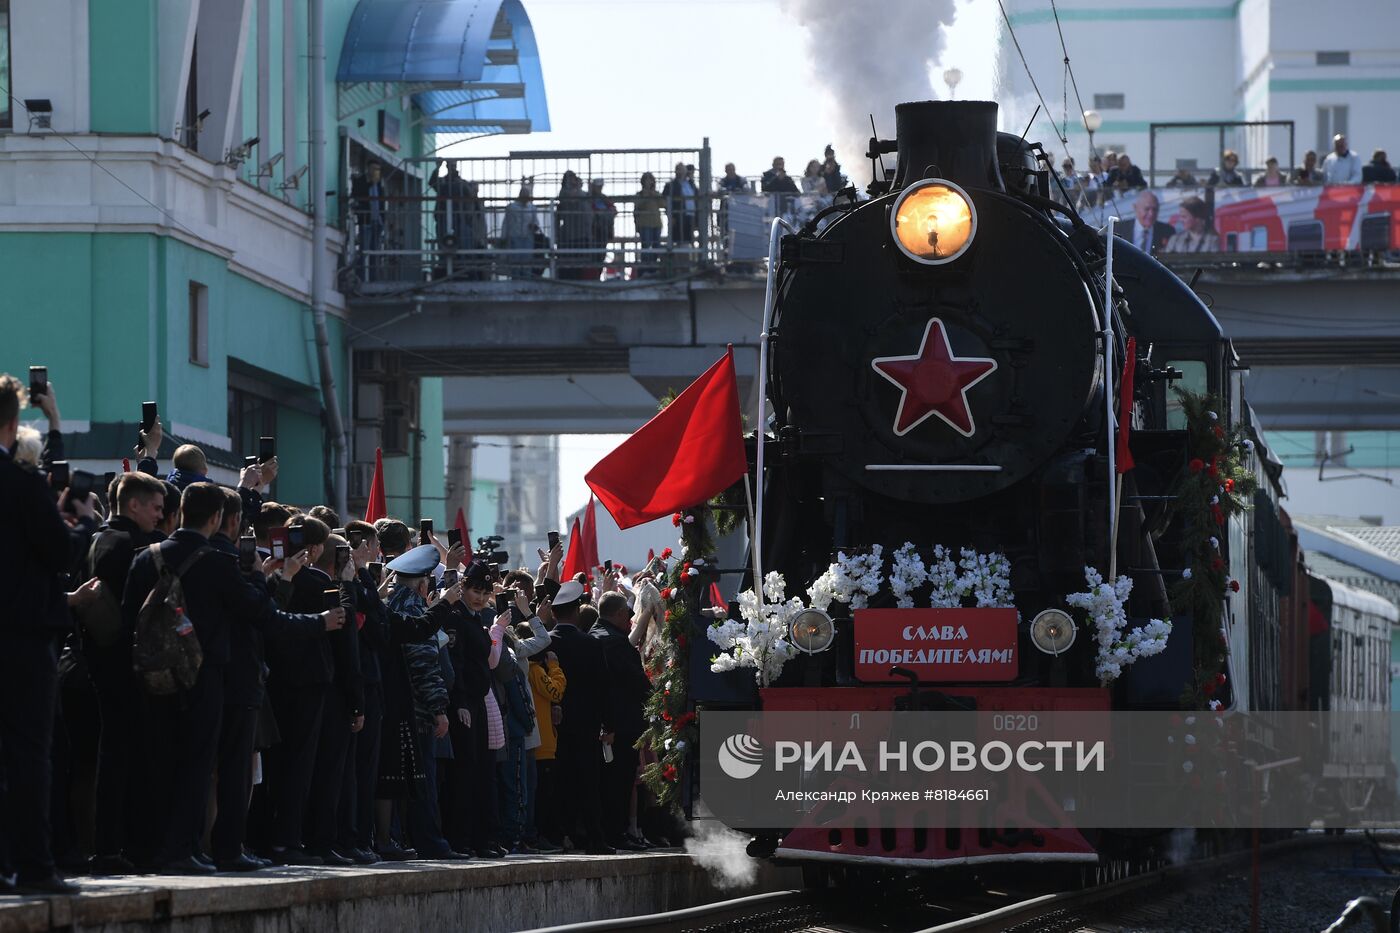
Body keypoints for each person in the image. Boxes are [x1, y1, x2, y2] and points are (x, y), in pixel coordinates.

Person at [121, 483, 340, 874]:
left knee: (156, 760)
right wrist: (270, 585)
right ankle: (199, 849)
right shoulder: (218, 563)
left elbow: (128, 618)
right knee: (200, 762)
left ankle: (153, 846)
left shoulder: (147, 556)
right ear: (220, 518)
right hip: (205, 676)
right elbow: (264, 616)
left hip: (151, 674)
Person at [0, 374, 84, 894]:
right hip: (24, 635)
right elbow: (59, 552)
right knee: (29, 750)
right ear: (13, 422)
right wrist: (74, 527)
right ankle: (32, 863)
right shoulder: (21, 483)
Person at [82, 471, 166, 875]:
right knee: (125, 759)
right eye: (155, 507)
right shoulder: (131, 547)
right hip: (123, 665)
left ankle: (111, 844)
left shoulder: (97, 538)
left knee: (111, 757)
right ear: (133, 505)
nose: (160, 515)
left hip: (97, 662)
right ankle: (119, 845)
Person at [547, 580, 614, 853]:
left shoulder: (546, 642)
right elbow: (604, 687)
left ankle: (561, 834)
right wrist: (608, 723)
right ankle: (594, 838)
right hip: (586, 724)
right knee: (588, 781)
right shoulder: (590, 644)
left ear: (554, 613)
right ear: (576, 612)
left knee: (559, 780)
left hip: (555, 725)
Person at [592, 591, 651, 851]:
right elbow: (636, 682)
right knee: (620, 782)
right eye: (627, 615)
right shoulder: (615, 642)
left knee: (608, 781)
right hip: (621, 724)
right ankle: (616, 832)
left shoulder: (593, 634)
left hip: (602, 722)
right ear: (617, 614)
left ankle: (610, 831)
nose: (629, 620)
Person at [351, 161, 388, 282]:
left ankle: (373, 277)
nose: (376, 172)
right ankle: (362, 276)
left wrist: (383, 218)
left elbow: (381, 202)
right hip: (366, 220)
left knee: (375, 251)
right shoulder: (360, 181)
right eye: (374, 169)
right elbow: (356, 195)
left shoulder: (379, 185)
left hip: (377, 221)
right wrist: (370, 184)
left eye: (378, 169)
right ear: (368, 169)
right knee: (364, 249)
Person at [555, 171, 591, 280]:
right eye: (569, 179)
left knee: (581, 260)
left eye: (573, 178)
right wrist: (579, 188)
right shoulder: (564, 192)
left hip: (582, 232)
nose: (572, 181)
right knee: (569, 260)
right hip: (570, 234)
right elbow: (572, 197)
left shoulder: (581, 192)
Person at [501, 182, 541, 279]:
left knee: (526, 262)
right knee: (517, 262)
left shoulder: (531, 208)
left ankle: (524, 280)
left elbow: (536, 222)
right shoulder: (512, 207)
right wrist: (504, 237)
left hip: (526, 238)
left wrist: (534, 226)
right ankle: (519, 279)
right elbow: (506, 223)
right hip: (515, 238)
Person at [1116, 190, 1174, 254]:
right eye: (1147, 209)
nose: (1151, 214)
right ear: (1135, 208)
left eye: (1154, 209)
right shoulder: (1119, 229)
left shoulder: (1167, 231)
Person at [661, 162, 697, 257]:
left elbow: (697, 196)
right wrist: (670, 215)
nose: (680, 172)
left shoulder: (690, 183)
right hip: (678, 216)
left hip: (690, 216)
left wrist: (692, 178)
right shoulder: (671, 185)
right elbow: (665, 201)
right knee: (679, 240)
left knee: (688, 240)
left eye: (682, 169)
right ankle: (680, 262)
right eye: (678, 169)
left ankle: (687, 261)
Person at [633, 173, 664, 276]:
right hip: (645, 224)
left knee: (656, 245)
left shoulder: (655, 194)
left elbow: (663, 203)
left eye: (650, 180)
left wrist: (654, 195)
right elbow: (638, 206)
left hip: (656, 223)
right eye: (647, 180)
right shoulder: (640, 194)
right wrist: (646, 196)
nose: (649, 182)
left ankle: (654, 267)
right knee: (646, 246)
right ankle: (645, 268)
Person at [586, 178, 617, 281]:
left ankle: (598, 276)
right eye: (598, 187)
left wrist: (603, 213)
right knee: (592, 256)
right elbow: (590, 211)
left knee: (601, 255)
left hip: (603, 230)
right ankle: (592, 277)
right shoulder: (589, 198)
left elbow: (613, 210)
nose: (599, 189)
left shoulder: (604, 198)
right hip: (593, 230)